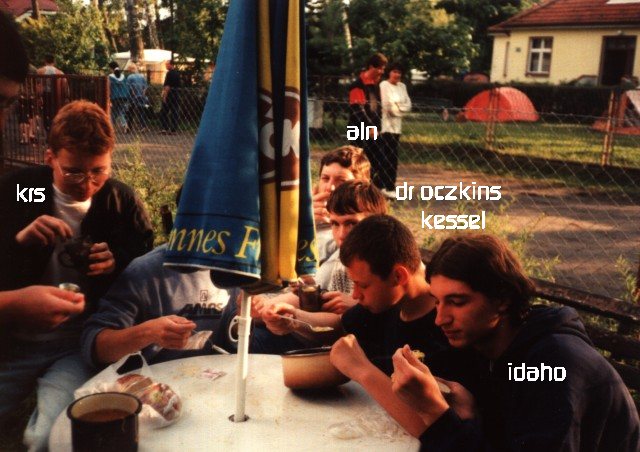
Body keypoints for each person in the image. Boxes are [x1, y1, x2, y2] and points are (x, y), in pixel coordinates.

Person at [0, 100, 154, 451]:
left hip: (76, 344)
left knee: (46, 438)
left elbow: (143, 263)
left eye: (99, 171)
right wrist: (19, 240)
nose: (87, 184)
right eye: (73, 172)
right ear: (49, 158)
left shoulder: (118, 200)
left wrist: (117, 261)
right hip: (15, 339)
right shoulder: (28, 191)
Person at [391, 234, 640, 451]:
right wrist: (473, 414)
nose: (440, 319)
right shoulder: (492, 345)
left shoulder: (551, 367)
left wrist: (434, 411)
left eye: (457, 302)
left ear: (502, 300)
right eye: (437, 301)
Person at [82, 188, 237, 367]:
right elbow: (94, 347)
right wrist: (148, 332)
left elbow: (234, 340)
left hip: (213, 376)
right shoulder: (145, 272)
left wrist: (252, 317)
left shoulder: (235, 268)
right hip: (152, 379)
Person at [257, 181, 387, 352]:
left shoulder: (387, 258)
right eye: (335, 224)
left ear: (377, 220)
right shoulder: (342, 263)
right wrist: (286, 316)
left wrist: (357, 307)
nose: (341, 234)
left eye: (351, 223)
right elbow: (338, 323)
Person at [313, 146, 370, 264]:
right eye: (325, 178)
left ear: (361, 186)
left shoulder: (364, 221)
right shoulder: (302, 210)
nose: (330, 187)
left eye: (341, 181)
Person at [348, 53, 387, 190]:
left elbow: (376, 109)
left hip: (372, 129)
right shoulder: (357, 85)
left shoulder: (374, 85)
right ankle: (357, 188)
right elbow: (357, 110)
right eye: (380, 68)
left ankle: (371, 189)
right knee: (357, 160)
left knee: (376, 160)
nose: (382, 72)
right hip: (357, 128)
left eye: (383, 69)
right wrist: (370, 127)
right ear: (371, 67)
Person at [379, 62, 411, 197]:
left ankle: (391, 186)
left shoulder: (402, 86)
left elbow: (408, 105)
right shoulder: (384, 85)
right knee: (384, 157)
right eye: (394, 71)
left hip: (397, 128)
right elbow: (388, 107)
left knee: (393, 159)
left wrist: (397, 107)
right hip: (385, 127)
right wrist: (398, 108)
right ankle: (382, 186)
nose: (397, 74)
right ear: (389, 72)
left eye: (399, 72)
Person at [36, 54, 64, 133]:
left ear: (45, 61)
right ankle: (54, 130)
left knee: (45, 113)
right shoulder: (60, 72)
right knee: (55, 113)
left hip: (45, 95)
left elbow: (38, 85)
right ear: (54, 61)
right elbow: (64, 85)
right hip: (56, 95)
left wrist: (38, 97)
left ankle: (47, 130)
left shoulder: (40, 71)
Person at [125, 62, 149, 132]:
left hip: (133, 97)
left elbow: (129, 87)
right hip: (141, 96)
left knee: (130, 112)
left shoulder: (130, 77)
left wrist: (133, 94)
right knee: (141, 112)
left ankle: (129, 127)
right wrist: (143, 93)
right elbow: (145, 86)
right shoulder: (142, 76)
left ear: (130, 69)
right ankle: (143, 126)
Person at [160, 60, 181, 134]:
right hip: (176, 94)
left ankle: (165, 128)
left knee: (164, 112)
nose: (166, 66)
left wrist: (164, 96)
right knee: (174, 112)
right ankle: (173, 129)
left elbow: (167, 86)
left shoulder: (169, 73)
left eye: (167, 64)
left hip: (169, 95)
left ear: (171, 65)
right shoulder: (177, 73)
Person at [108, 62, 128, 132]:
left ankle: (111, 127)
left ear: (111, 68)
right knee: (120, 112)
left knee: (113, 113)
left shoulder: (110, 77)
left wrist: (109, 97)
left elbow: (108, 87)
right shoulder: (123, 76)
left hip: (115, 97)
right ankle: (124, 124)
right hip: (124, 97)